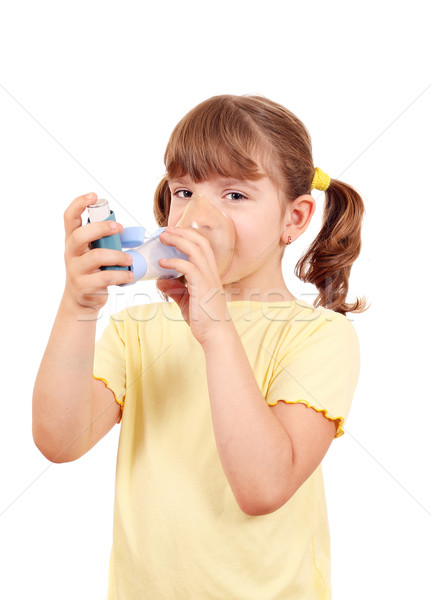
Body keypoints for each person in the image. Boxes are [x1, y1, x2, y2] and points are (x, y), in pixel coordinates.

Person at [33, 94, 368, 599]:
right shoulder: (138, 329)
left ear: (294, 219)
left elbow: (263, 488)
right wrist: (78, 307)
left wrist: (215, 329)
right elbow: (59, 442)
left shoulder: (318, 336)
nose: (198, 216)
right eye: (185, 191)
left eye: (235, 195)